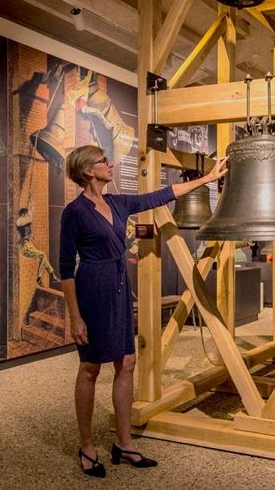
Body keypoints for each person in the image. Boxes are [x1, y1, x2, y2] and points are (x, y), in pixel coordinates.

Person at [60, 144, 227, 478]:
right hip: (92, 288)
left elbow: (161, 195)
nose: (110, 164)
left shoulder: (117, 203)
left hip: (120, 287)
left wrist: (208, 178)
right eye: (104, 161)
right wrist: (75, 316)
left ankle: (124, 443)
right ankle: (87, 445)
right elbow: (65, 267)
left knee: (128, 362)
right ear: (89, 171)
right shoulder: (74, 212)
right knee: (91, 367)